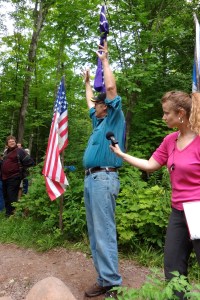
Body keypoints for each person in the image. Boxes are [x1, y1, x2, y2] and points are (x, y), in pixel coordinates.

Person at [110, 91, 200, 300]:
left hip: (198, 211)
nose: (163, 117)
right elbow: (151, 165)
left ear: (180, 113)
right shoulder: (170, 141)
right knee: (173, 267)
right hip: (179, 212)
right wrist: (122, 155)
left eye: (166, 113)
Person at [83, 40, 126, 299]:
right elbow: (90, 101)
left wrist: (105, 60)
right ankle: (104, 278)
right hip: (91, 179)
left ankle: (113, 283)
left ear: (106, 106)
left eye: (100, 103)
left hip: (104, 177)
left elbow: (110, 87)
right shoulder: (97, 121)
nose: (97, 105)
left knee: (104, 230)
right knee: (94, 231)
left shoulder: (113, 116)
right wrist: (87, 81)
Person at [2, 135, 34, 217]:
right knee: (6, 196)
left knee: (11, 196)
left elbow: (30, 162)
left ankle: (13, 215)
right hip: (5, 178)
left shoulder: (19, 151)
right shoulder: (6, 152)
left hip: (14, 177)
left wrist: (22, 171)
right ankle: (8, 213)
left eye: (13, 141)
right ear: (7, 144)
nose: (12, 143)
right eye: (10, 142)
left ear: (15, 142)